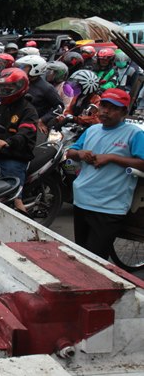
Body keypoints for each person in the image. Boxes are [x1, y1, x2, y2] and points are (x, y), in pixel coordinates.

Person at [66, 88, 144, 259]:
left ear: (124, 111)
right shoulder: (92, 130)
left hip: (110, 206)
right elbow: (71, 152)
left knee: (96, 259)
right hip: (82, 199)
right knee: (80, 254)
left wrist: (111, 158)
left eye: (113, 108)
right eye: (104, 106)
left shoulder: (134, 133)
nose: (106, 111)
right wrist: (80, 154)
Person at [0, 68, 39, 213]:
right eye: (2, 88)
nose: (4, 91)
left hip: (14, 156)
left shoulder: (28, 110)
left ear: (20, 87)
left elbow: (25, 132)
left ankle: (23, 221)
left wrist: (8, 142)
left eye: (9, 88)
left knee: (14, 195)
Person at [15, 54, 63, 130]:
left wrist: (42, 120)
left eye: (25, 67)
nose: (22, 69)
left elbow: (59, 107)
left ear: (35, 69)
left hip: (32, 126)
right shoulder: (21, 82)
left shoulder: (46, 88)